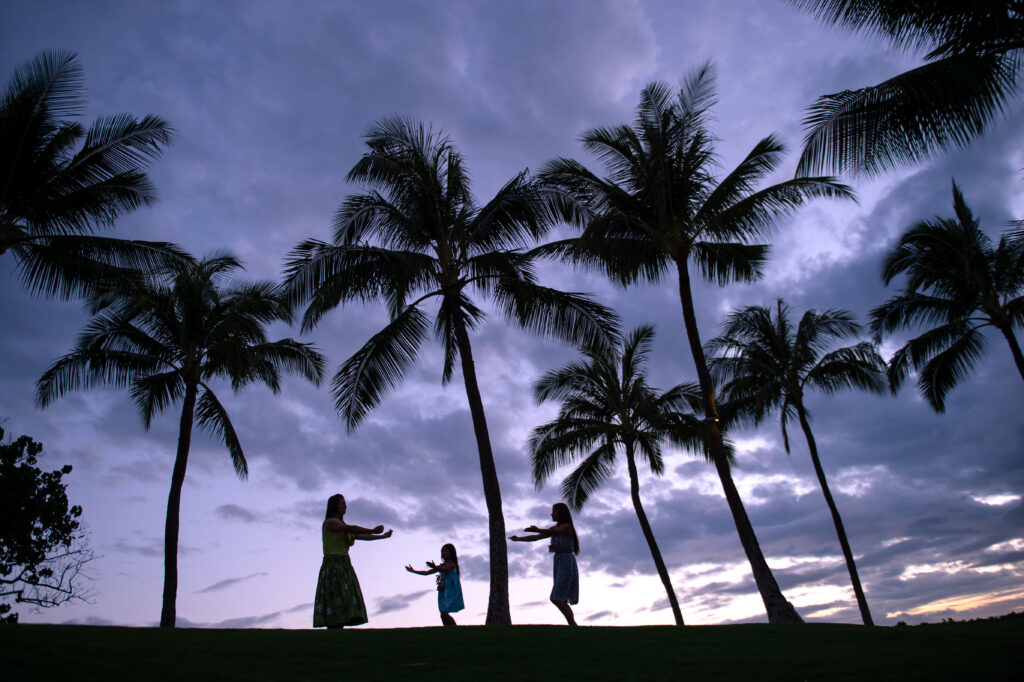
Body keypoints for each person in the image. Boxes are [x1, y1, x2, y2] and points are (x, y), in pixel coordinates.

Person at [313, 493, 392, 629]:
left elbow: (359, 535)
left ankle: (338, 629)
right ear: (334, 506)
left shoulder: (341, 524)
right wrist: (373, 530)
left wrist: (382, 537)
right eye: (342, 503)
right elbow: (351, 528)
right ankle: (334, 628)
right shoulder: (330, 522)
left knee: (344, 597)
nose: (345, 506)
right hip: (332, 565)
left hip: (344, 564)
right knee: (336, 596)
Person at [510, 502, 580, 626]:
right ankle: (572, 625)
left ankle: (572, 624)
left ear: (560, 513)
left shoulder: (566, 527)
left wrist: (538, 529)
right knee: (559, 597)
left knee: (557, 597)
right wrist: (519, 539)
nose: (551, 514)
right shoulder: (555, 528)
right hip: (559, 562)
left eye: (554, 511)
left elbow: (550, 532)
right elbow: (537, 537)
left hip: (566, 563)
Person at [405, 543, 464, 626]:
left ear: (451, 553)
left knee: (444, 613)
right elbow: (427, 573)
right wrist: (414, 571)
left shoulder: (452, 564)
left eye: (445, 551)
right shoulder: (442, 565)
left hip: (450, 591)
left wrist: (435, 567)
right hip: (443, 590)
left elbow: (444, 569)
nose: (443, 553)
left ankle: (454, 629)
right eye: (442, 551)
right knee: (443, 614)